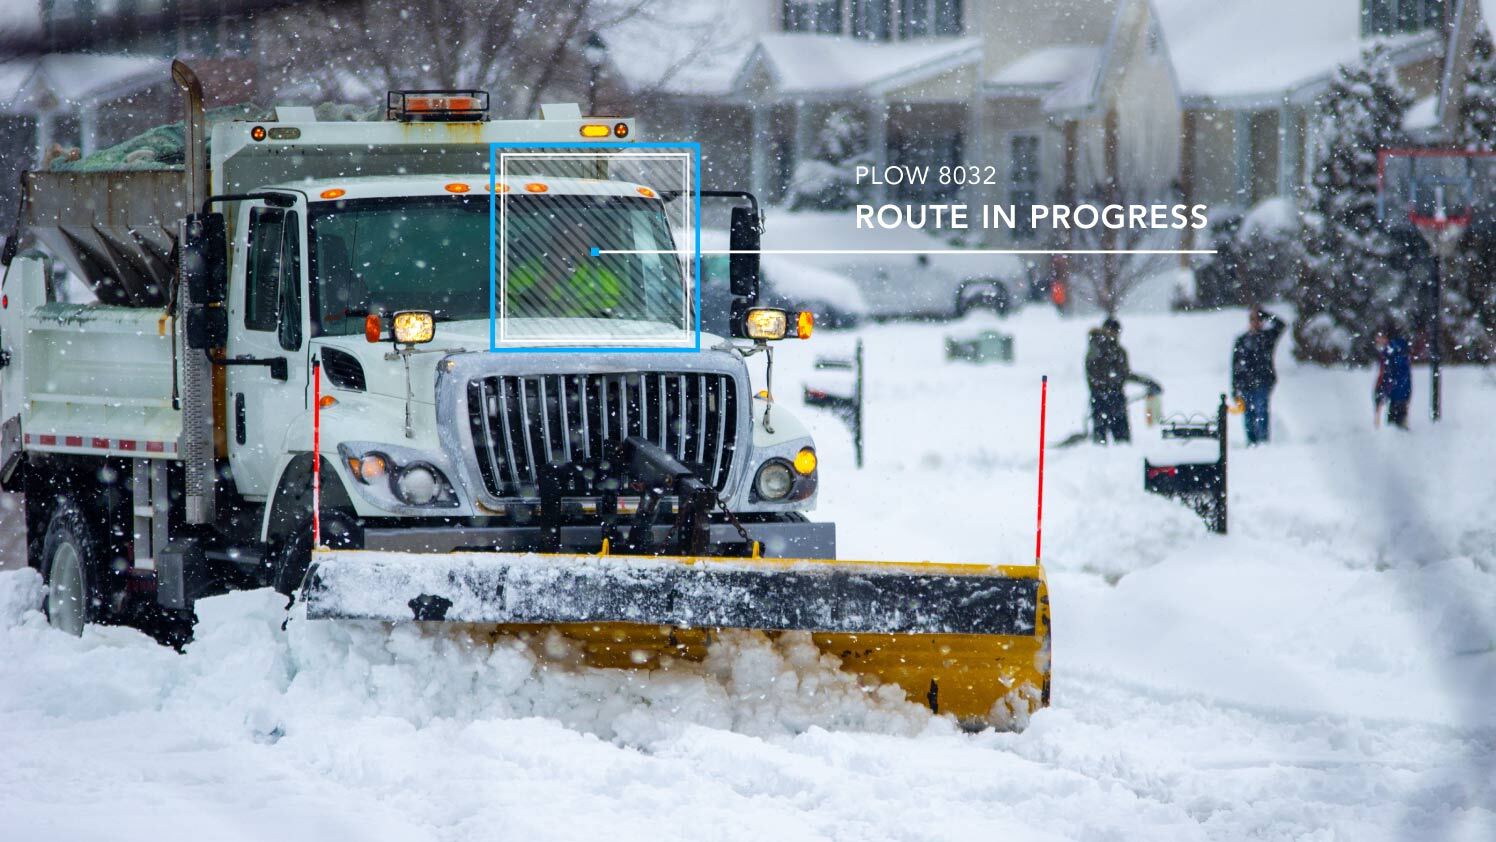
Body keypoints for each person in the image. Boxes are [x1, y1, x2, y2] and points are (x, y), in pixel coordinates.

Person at [1231, 306, 1286, 445]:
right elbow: (1235, 365)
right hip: (1245, 384)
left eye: (1258, 319)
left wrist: (1265, 314)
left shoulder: (1267, 337)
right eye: (1252, 319)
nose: (1255, 322)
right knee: (1248, 415)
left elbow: (1281, 325)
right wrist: (1235, 388)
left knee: (1261, 412)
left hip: (1262, 381)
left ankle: (1263, 442)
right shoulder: (1242, 340)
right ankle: (1251, 442)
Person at [1086, 317, 1136, 444]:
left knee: (1122, 442)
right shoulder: (1097, 349)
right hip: (1102, 397)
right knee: (1101, 442)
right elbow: (1095, 375)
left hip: (1114, 397)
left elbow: (1124, 373)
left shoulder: (1118, 350)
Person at [1374, 322, 1412, 429]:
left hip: (1397, 393)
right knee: (1397, 423)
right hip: (1400, 392)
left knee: (1395, 426)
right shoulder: (1396, 349)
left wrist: (1383, 389)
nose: (1377, 340)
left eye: (1379, 337)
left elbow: (1389, 373)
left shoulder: (1392, 351)